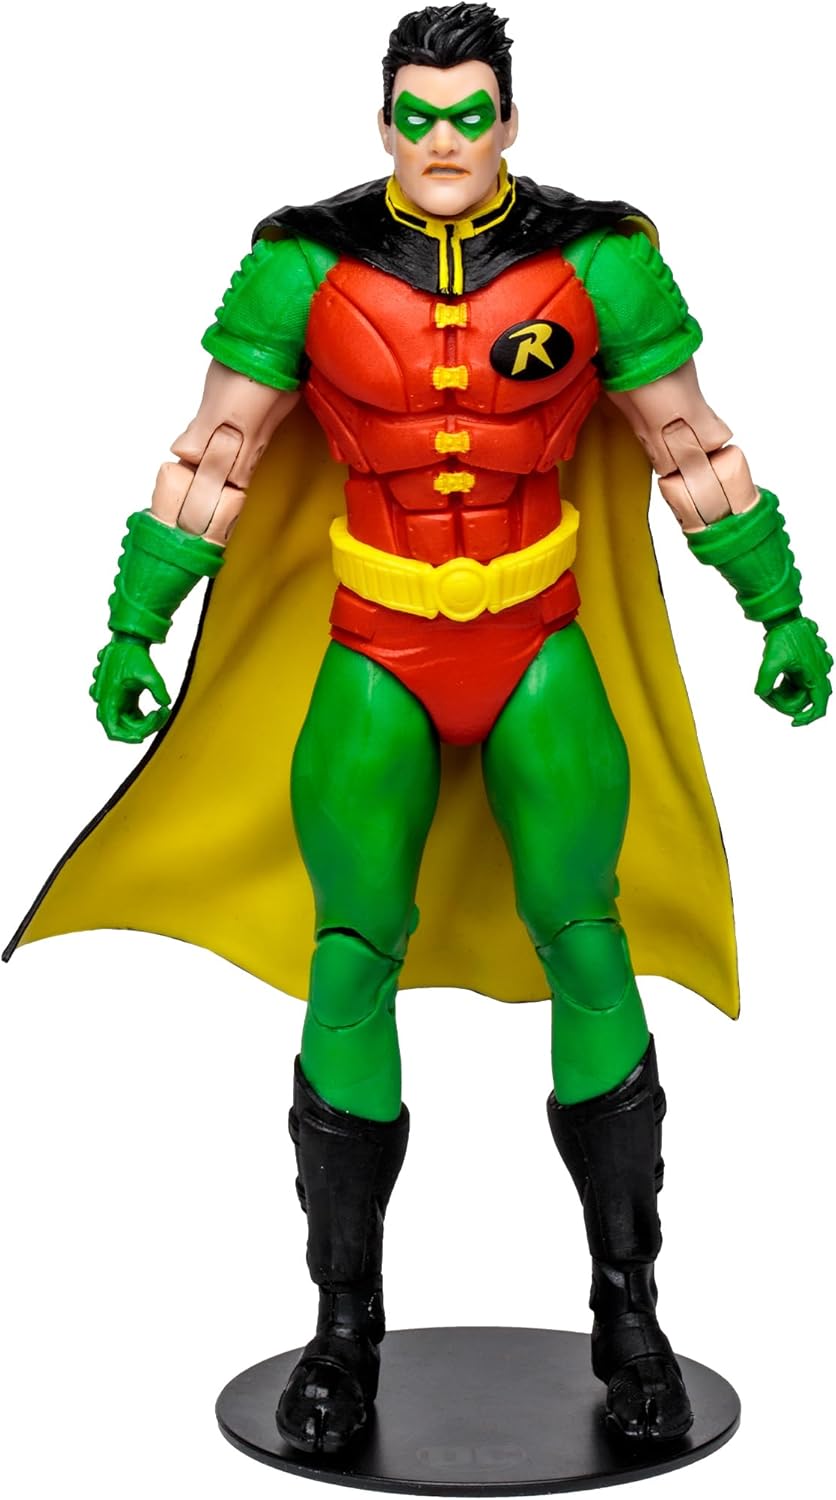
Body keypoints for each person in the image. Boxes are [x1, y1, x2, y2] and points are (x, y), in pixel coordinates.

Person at [8, 0, 830, 1458]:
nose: (443, 141)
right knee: (349, 954)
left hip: (536, 640)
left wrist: (777, 606)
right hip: (375, 646)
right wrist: (135, 619)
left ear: (509, 119)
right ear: (381, 120)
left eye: (469, 113)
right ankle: (344, 1335)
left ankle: (630, 1320)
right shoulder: (305, 262)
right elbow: (216, 452)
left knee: (588, 939)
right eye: (416, 114)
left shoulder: (599, 258)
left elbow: (688, 440)